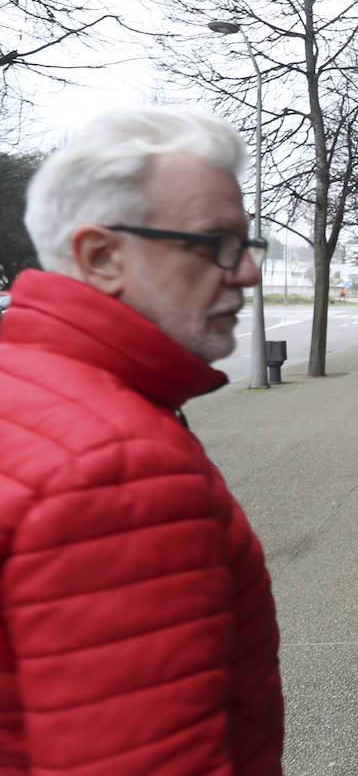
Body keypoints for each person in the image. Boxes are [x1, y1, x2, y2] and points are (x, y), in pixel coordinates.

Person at [0, 107, 284, 772]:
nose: (246, 273)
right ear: (101, 257)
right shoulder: (118, 467)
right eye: (216, 243)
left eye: (247, 244)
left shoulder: (25, 387)